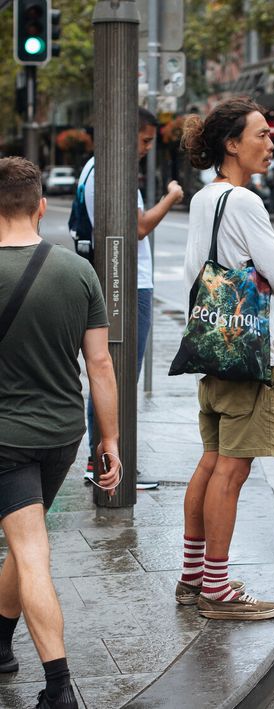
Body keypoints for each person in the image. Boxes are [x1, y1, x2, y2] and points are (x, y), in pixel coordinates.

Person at [0, 157, 120, 708]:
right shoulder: (79, 271)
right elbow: (100, 366)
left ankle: (59, 687)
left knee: (29, 550)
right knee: (24, 541)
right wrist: (110, 441)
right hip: (63, 433)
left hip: (5, 438)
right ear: (41, 206)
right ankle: (1, 645)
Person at [174, 97, 274, 620]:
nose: (270, 144)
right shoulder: (244, 202)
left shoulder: (206, 197)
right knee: (232, 471)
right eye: (261, 135)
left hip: (213, 347)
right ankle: (218, 591)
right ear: (232, 144)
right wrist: (264, 275)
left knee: (210, 462)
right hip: (249, 356)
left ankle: (194, 576)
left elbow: (191, 275)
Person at [80, 106, 184, 484]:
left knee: (113, 374)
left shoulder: (93, 168)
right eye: (144, 141)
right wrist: (172, 196)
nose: (146, 148)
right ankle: (107, 463)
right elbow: (139, 227)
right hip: (127, 284)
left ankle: (102, 460)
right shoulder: (112, 173)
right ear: (126, 135)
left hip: (117, 280)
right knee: (120, 375)